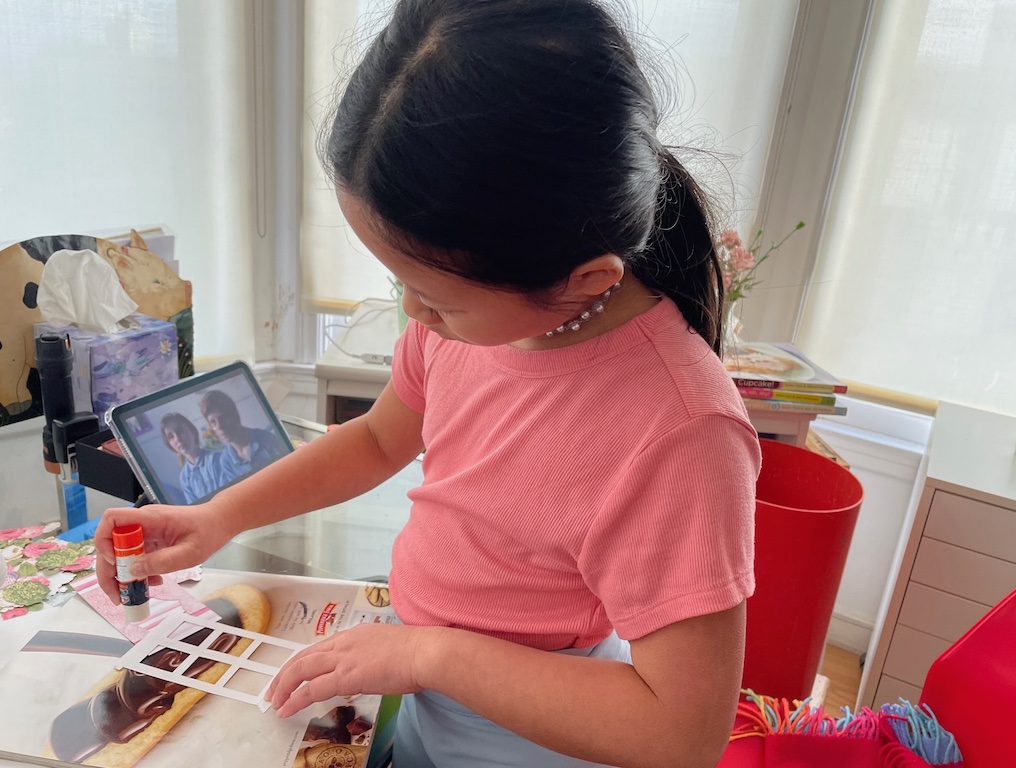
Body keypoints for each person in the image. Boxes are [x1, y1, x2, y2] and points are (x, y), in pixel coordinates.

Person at [94, 1, 760, 765]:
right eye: (398, 281)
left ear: (585, 282)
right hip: (425, 697)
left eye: (437, 298)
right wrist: (220, 516)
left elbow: (682, 735)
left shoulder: (681, 430)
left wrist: (429, 655)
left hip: (531, 736)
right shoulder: (476, 318)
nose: (412, 314)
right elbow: (378, 438)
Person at [198, 389, 286, 483]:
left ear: (235, 415)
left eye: (223, 418)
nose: (220, 427)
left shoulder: (267, 440)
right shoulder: (226, 461)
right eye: (213, 422)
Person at [159, 412, 222, 503]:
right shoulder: (184, 477)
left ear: (192, 431)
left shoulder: (217, 459)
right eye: (170, 436)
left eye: (180, 431)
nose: (177, 439)